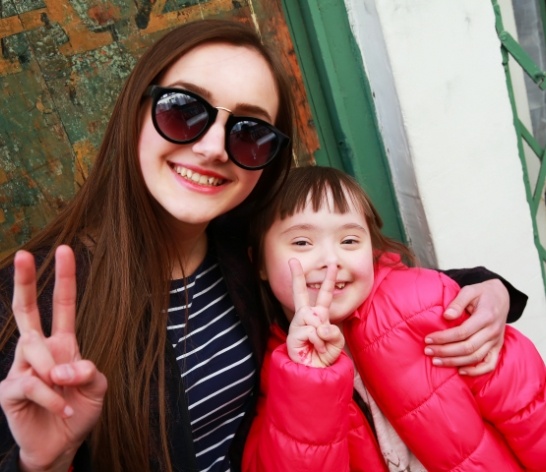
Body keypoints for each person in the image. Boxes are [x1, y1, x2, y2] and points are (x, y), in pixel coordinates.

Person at [0, 18, 528, 472]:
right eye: (184, 111)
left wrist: (486, 290)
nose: (211, 149)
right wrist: (37, 464)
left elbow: (365, 289)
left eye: (249, 132)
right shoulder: (33, 306)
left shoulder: (246, 258)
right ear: (137, 111)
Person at [243, 165, 545, 472]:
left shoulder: (427, 304)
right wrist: (306, 382)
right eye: (302, 242)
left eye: (349, 241)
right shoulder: (274, 368)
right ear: (260, 263)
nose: (331, 260)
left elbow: (530, 413)